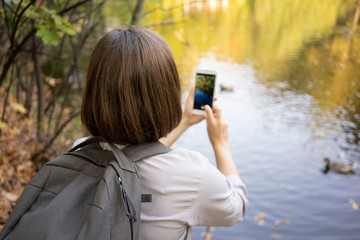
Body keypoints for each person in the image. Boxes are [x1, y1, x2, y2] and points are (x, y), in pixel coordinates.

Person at [77, 26, 248, 240]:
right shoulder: (190, 173)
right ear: (166, 93)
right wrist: (221, 144)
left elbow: (133, 155)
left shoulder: (79, 151)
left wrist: (185, 121)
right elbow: (236, 206)